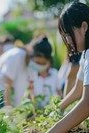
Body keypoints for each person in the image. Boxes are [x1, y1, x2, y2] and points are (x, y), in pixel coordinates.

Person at [47, 1, 89, 132]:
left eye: (68, 35)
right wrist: (55, 109)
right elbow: (78, 90)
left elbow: (86, 104)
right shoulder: (85, 55)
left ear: (84, 26)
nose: (68, 41)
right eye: (64, 36)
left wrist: (52, 130)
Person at [0, 35, 52, 107]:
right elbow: (7, 86)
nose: (39, 65)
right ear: (31, 54)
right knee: (2, 113)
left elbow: (30, 90)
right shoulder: (16, 56)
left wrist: (32, 109)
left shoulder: (32, 66)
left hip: (9, 94)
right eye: (38, 63)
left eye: (43, 63)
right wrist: (8, 109)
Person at [30, 37, 62, 107]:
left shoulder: (54, 73)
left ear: (49, 61)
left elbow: (59, 91)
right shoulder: (31, 74)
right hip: (36, 109)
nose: (40, 67)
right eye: (37, 63)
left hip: (51, 109)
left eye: (43, 64)